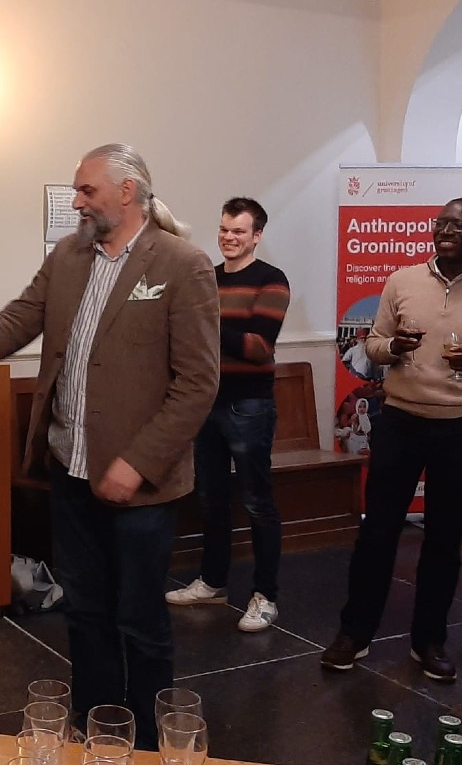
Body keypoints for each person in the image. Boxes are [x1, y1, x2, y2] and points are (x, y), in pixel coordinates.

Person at [0, 144, 220, 751]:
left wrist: (138, 462)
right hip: (69, 468)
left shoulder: (182, 264)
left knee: (140, 619)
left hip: (139, 483)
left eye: (86, 190)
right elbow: (25, 312)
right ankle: (101, 727)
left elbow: (198, 384)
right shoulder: (70, 255)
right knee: (85, 610)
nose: (76, 201)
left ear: (127, 193)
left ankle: (147, 741)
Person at [321, 197, 462, 682]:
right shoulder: (402, 280)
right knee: (377, 533)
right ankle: (354, 633)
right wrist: (393, 347)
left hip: (461, 427)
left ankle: (429, 641)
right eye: (442, 224)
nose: (447, 232)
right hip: (400, 421)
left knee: (444, 539)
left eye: (460, 226)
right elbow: (373, 345)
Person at [165, 197, 289, 633]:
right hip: (205, 402)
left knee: (257, 502)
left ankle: (265, 596)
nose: (229, 238)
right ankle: (213, 583)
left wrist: (205, 320)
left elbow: (258, 348)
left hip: (248, 404)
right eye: (223, 229)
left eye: (238, 231)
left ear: (257, 236)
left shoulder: (271, 280)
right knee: (210, 499)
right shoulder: (209, 278)